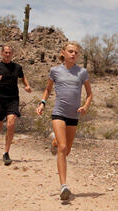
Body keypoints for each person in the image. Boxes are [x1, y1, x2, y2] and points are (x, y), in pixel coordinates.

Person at [36, 42, 92, 201]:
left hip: (74, 116)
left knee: (67, 151)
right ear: (63, 53)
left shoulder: (82, 72)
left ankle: (54, 141)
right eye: (70, 51)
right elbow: (47, 89)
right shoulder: (55, 71)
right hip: (58, 113)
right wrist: (42, 103)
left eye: (76, 52)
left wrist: (85, 106)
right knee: (63, 147)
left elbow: (89, 94)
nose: (73, 54)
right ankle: (63, 187)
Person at [0, 44, 32, 165]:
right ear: (2, 53)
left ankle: (6, 153)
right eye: (6, 52)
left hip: (12, 99)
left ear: (12, 54)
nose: (7, 55)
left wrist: (27, 86)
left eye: (9, 53)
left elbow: (23, 77)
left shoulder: (17, 67)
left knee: (11, 123)